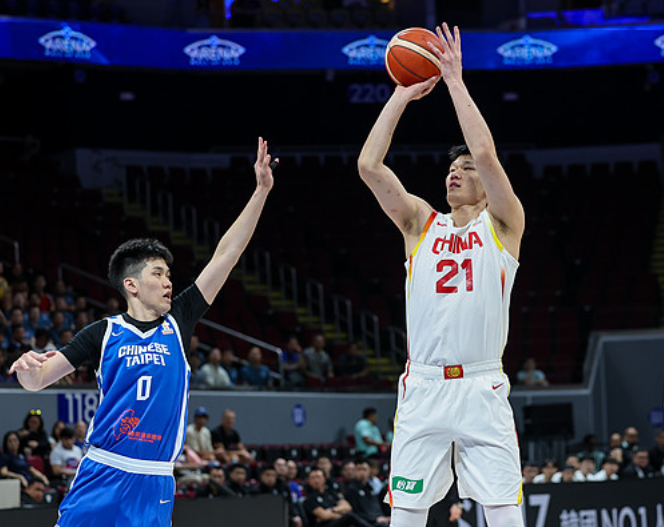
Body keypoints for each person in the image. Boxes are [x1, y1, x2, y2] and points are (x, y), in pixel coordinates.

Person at [8, 137, 276, 527]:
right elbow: (38, 381)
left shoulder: (179, 320)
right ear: (131, 284)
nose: (168, 282)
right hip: (103, 471)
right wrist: (27, 369)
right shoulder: (103, 332)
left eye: (169, 275)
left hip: (155, 479)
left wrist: (261, 191)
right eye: (158, 273)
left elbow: (227, 254)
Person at [357, 23, 526, 527]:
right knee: (406, 517)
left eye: (466, 169)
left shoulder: (504, 224)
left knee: (504, 515)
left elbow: (487, 154)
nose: (456, 171)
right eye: (452, 167)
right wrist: (401, 94)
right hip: (424, 387)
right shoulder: (419, 224)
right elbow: (369, 165)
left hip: (481, 385)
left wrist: (454, 81)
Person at [302, 468, 373, 527]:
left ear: (324, 479)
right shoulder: (309, 498)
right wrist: (341, 512)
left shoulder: (331, 493)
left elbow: (348, 507)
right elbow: (324, 515)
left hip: (339, 523)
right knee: (349, 516)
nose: (316, 480)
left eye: (318, 477)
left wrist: (332, 510)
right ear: (309, 481)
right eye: (313, 478)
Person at [344, 460, 391, 526]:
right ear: (354, 471)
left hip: (380, 520)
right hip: (366, 523)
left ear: (369, 471)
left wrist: (385, 517)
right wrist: (375, 519)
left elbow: (377, 507)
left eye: (364, 469)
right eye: (359, 469)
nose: (362, 472)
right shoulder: (351, 489)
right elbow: (355, 512)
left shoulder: (370, 488)